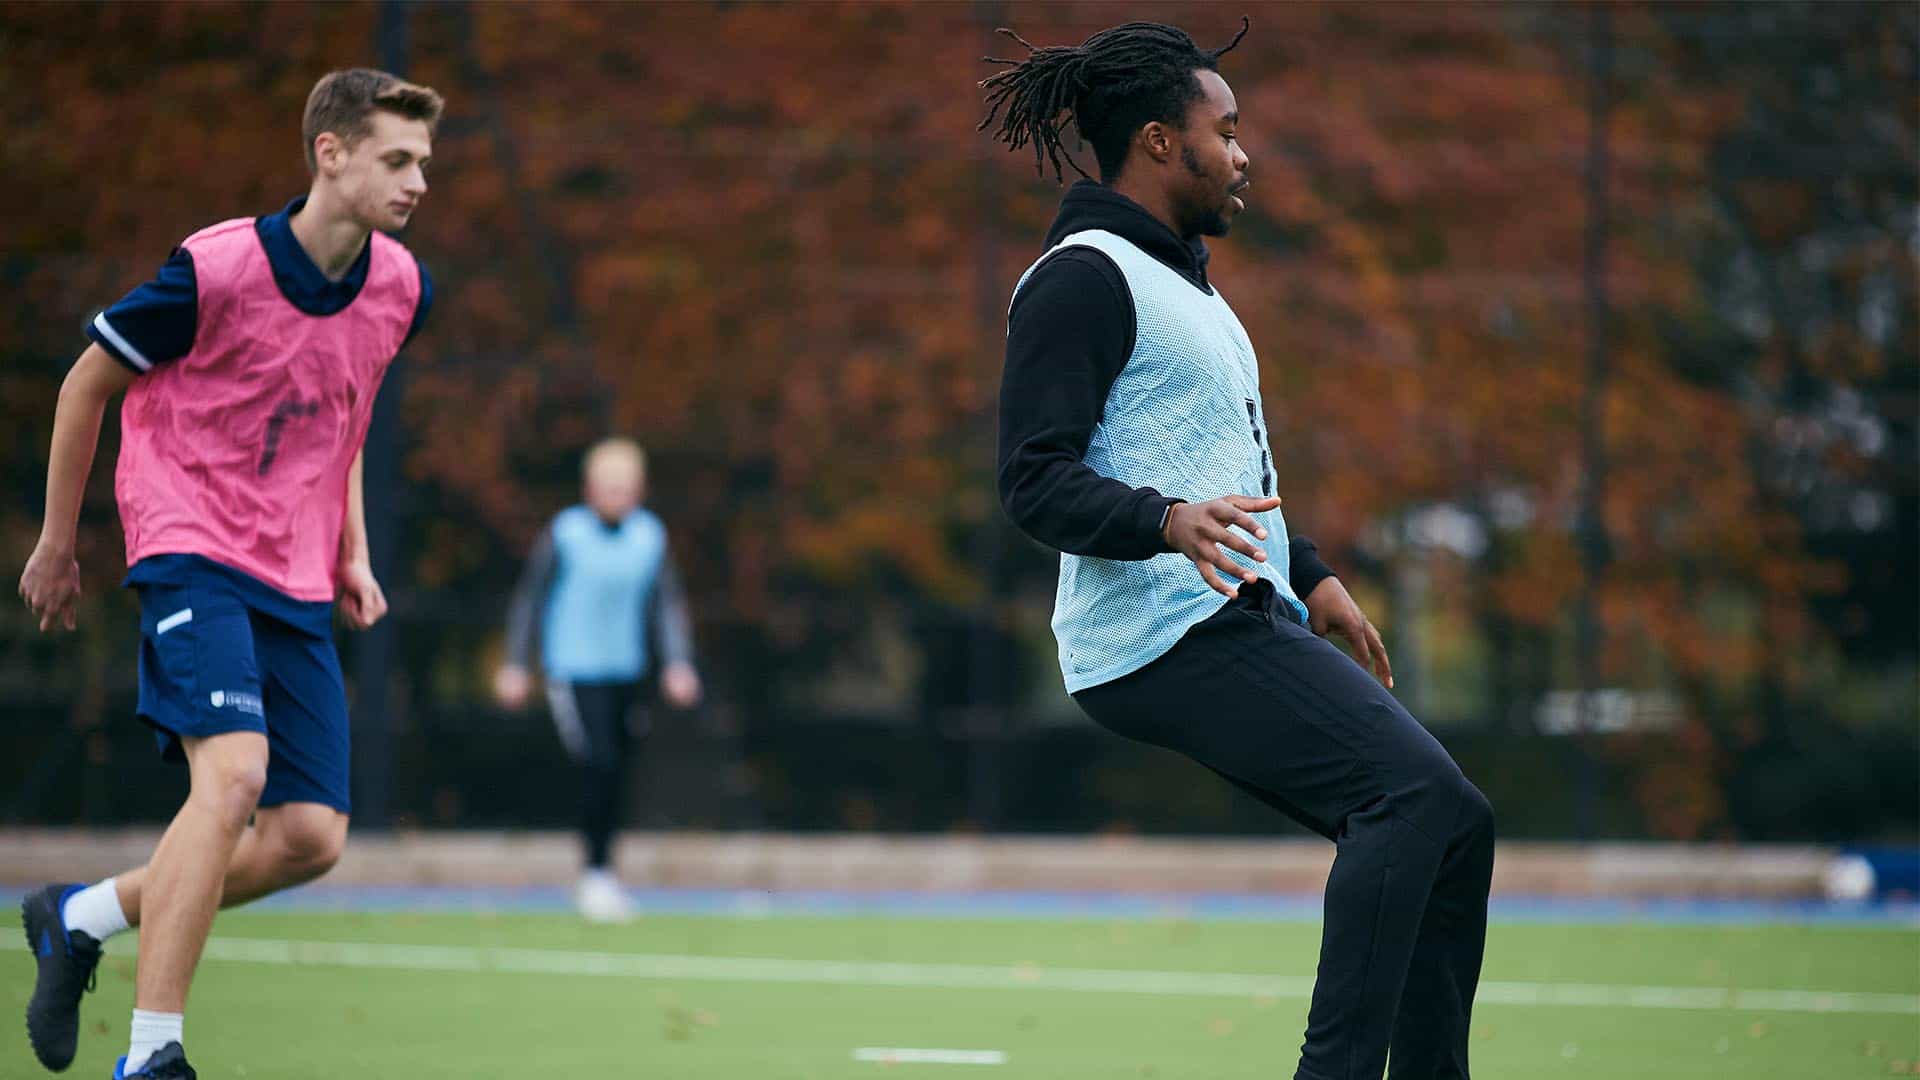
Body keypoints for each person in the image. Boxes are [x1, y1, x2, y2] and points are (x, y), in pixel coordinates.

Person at [983, 20, 1493, 1080]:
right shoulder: (1082, 278)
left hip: (1234, 609)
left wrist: (1310, 575)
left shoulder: (1191, 290)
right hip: (1161, 631)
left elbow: (1219, 466)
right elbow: (1032, 480)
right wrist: (1162, 520)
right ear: (1163, 142)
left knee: (1455, 826)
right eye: (1229, 130)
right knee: (1411, 799)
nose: (1245, 152)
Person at [16, 69, 442, 1080]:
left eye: (424, 161)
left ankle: (76, 919)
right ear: (329, 156)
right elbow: (87, 383)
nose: (419, 180)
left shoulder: (401, 287)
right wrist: (55, 540)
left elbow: (344, 410)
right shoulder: (215, 271)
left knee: (308, 837)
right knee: (237, 776)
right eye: (397, 158)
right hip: (188, 537)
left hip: (291, 563)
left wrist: (353, 547)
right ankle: (151, 1054)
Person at [493, 437, 702, 923]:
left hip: (626, 669)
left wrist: (678, 661)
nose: (616, 497)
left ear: (640, 491)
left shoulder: (650, 536)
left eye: (625, 489)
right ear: (589, 490)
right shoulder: (565, 534)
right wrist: (516, 663)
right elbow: (531, 599)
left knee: (620, 770)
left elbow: (666, 604)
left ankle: (605, 872)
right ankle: (594, 874)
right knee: (599, 762)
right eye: (608, 488)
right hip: (574, 669)